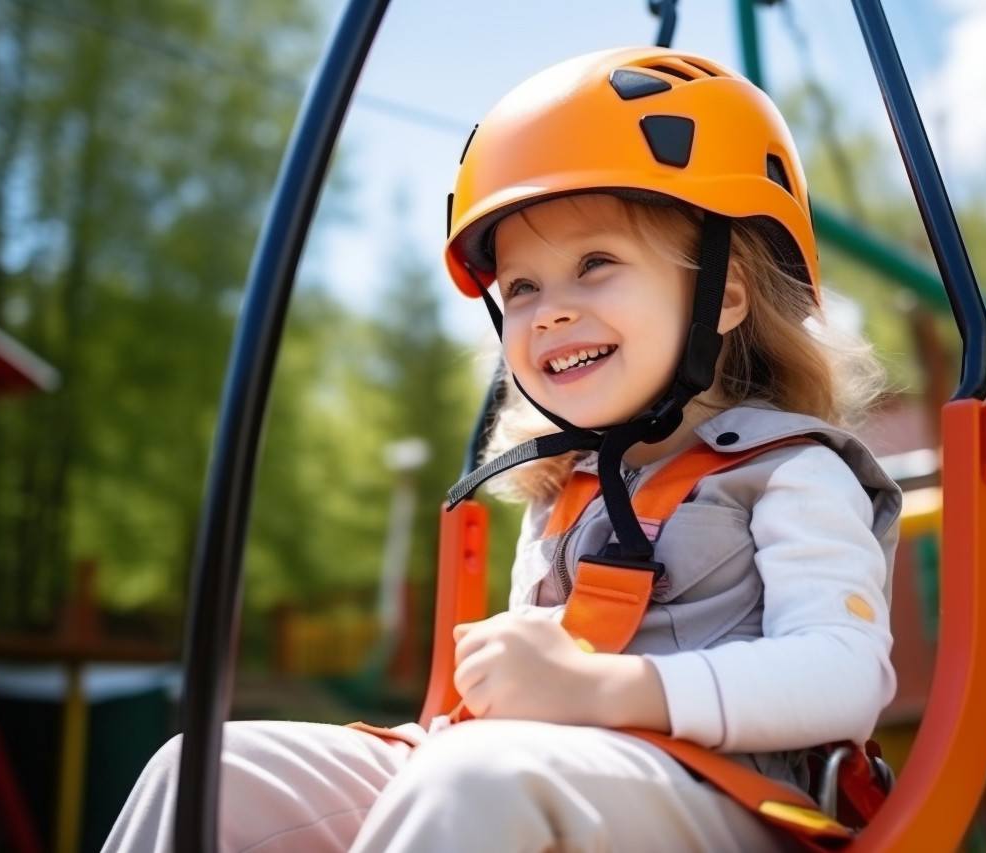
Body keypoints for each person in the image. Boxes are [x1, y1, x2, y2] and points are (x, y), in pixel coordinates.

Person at [103, 45, 901, 853]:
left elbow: (843, 674)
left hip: (729, 794)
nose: (550, 311)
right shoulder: (565, 491)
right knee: (204, 770)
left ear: (722, 295)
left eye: (595, 263)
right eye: (522, 287)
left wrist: (604, 688)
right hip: (544, 769)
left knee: (476, 779)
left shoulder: (792, 470)